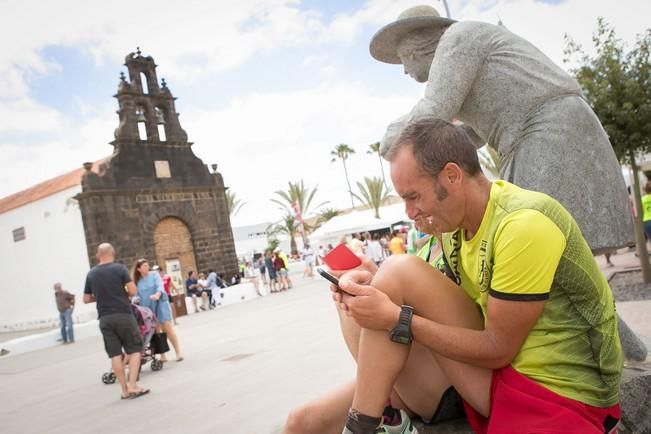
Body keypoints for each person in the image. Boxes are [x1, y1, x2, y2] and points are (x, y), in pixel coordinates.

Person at [284, 119, 622, 434]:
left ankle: (364, 426)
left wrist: (398, 318)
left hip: (553, 391)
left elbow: (498, 348)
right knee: (301, 422)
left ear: (452, 176)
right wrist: (373, 281)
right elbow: (423, 293)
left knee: (397, 272)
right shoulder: (453, 228)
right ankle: (385, 418)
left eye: (413, 196)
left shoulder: (523, 224)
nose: (409, 212)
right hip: (488, 374)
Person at [371, 5, 632, 255]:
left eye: (404, 60)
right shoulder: (463, 62)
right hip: (530, 138)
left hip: (549, 130)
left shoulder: (459, 39)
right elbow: (468, 137)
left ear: (414, 51)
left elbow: (435, 109)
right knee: (527, 240)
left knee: (527, 237)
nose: (405, 70)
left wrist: (397, 135)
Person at [83, 243, 149, 400]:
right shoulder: (120, 269)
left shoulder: (91, 274)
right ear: (113, 253)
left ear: (98, 255)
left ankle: (124, 390)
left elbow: (86, 299)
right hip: (123, 314)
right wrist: (120, 294)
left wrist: (100, 297)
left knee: (115, 354)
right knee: (134, 350)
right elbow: (133, 291)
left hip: (105, 319)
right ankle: (133, 385)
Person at [133, 258, 184, 362]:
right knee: (156, 332)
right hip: (147, 309)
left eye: (148, 265)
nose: (147, 267)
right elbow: (136, 295)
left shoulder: (154, 274)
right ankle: (162, 355)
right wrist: (135, 300)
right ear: (139, 269)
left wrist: (157, 294)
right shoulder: (137, 281)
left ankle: (178, 352)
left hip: (160, 304)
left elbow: (160, 286)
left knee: (167, 328)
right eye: (144, 266)